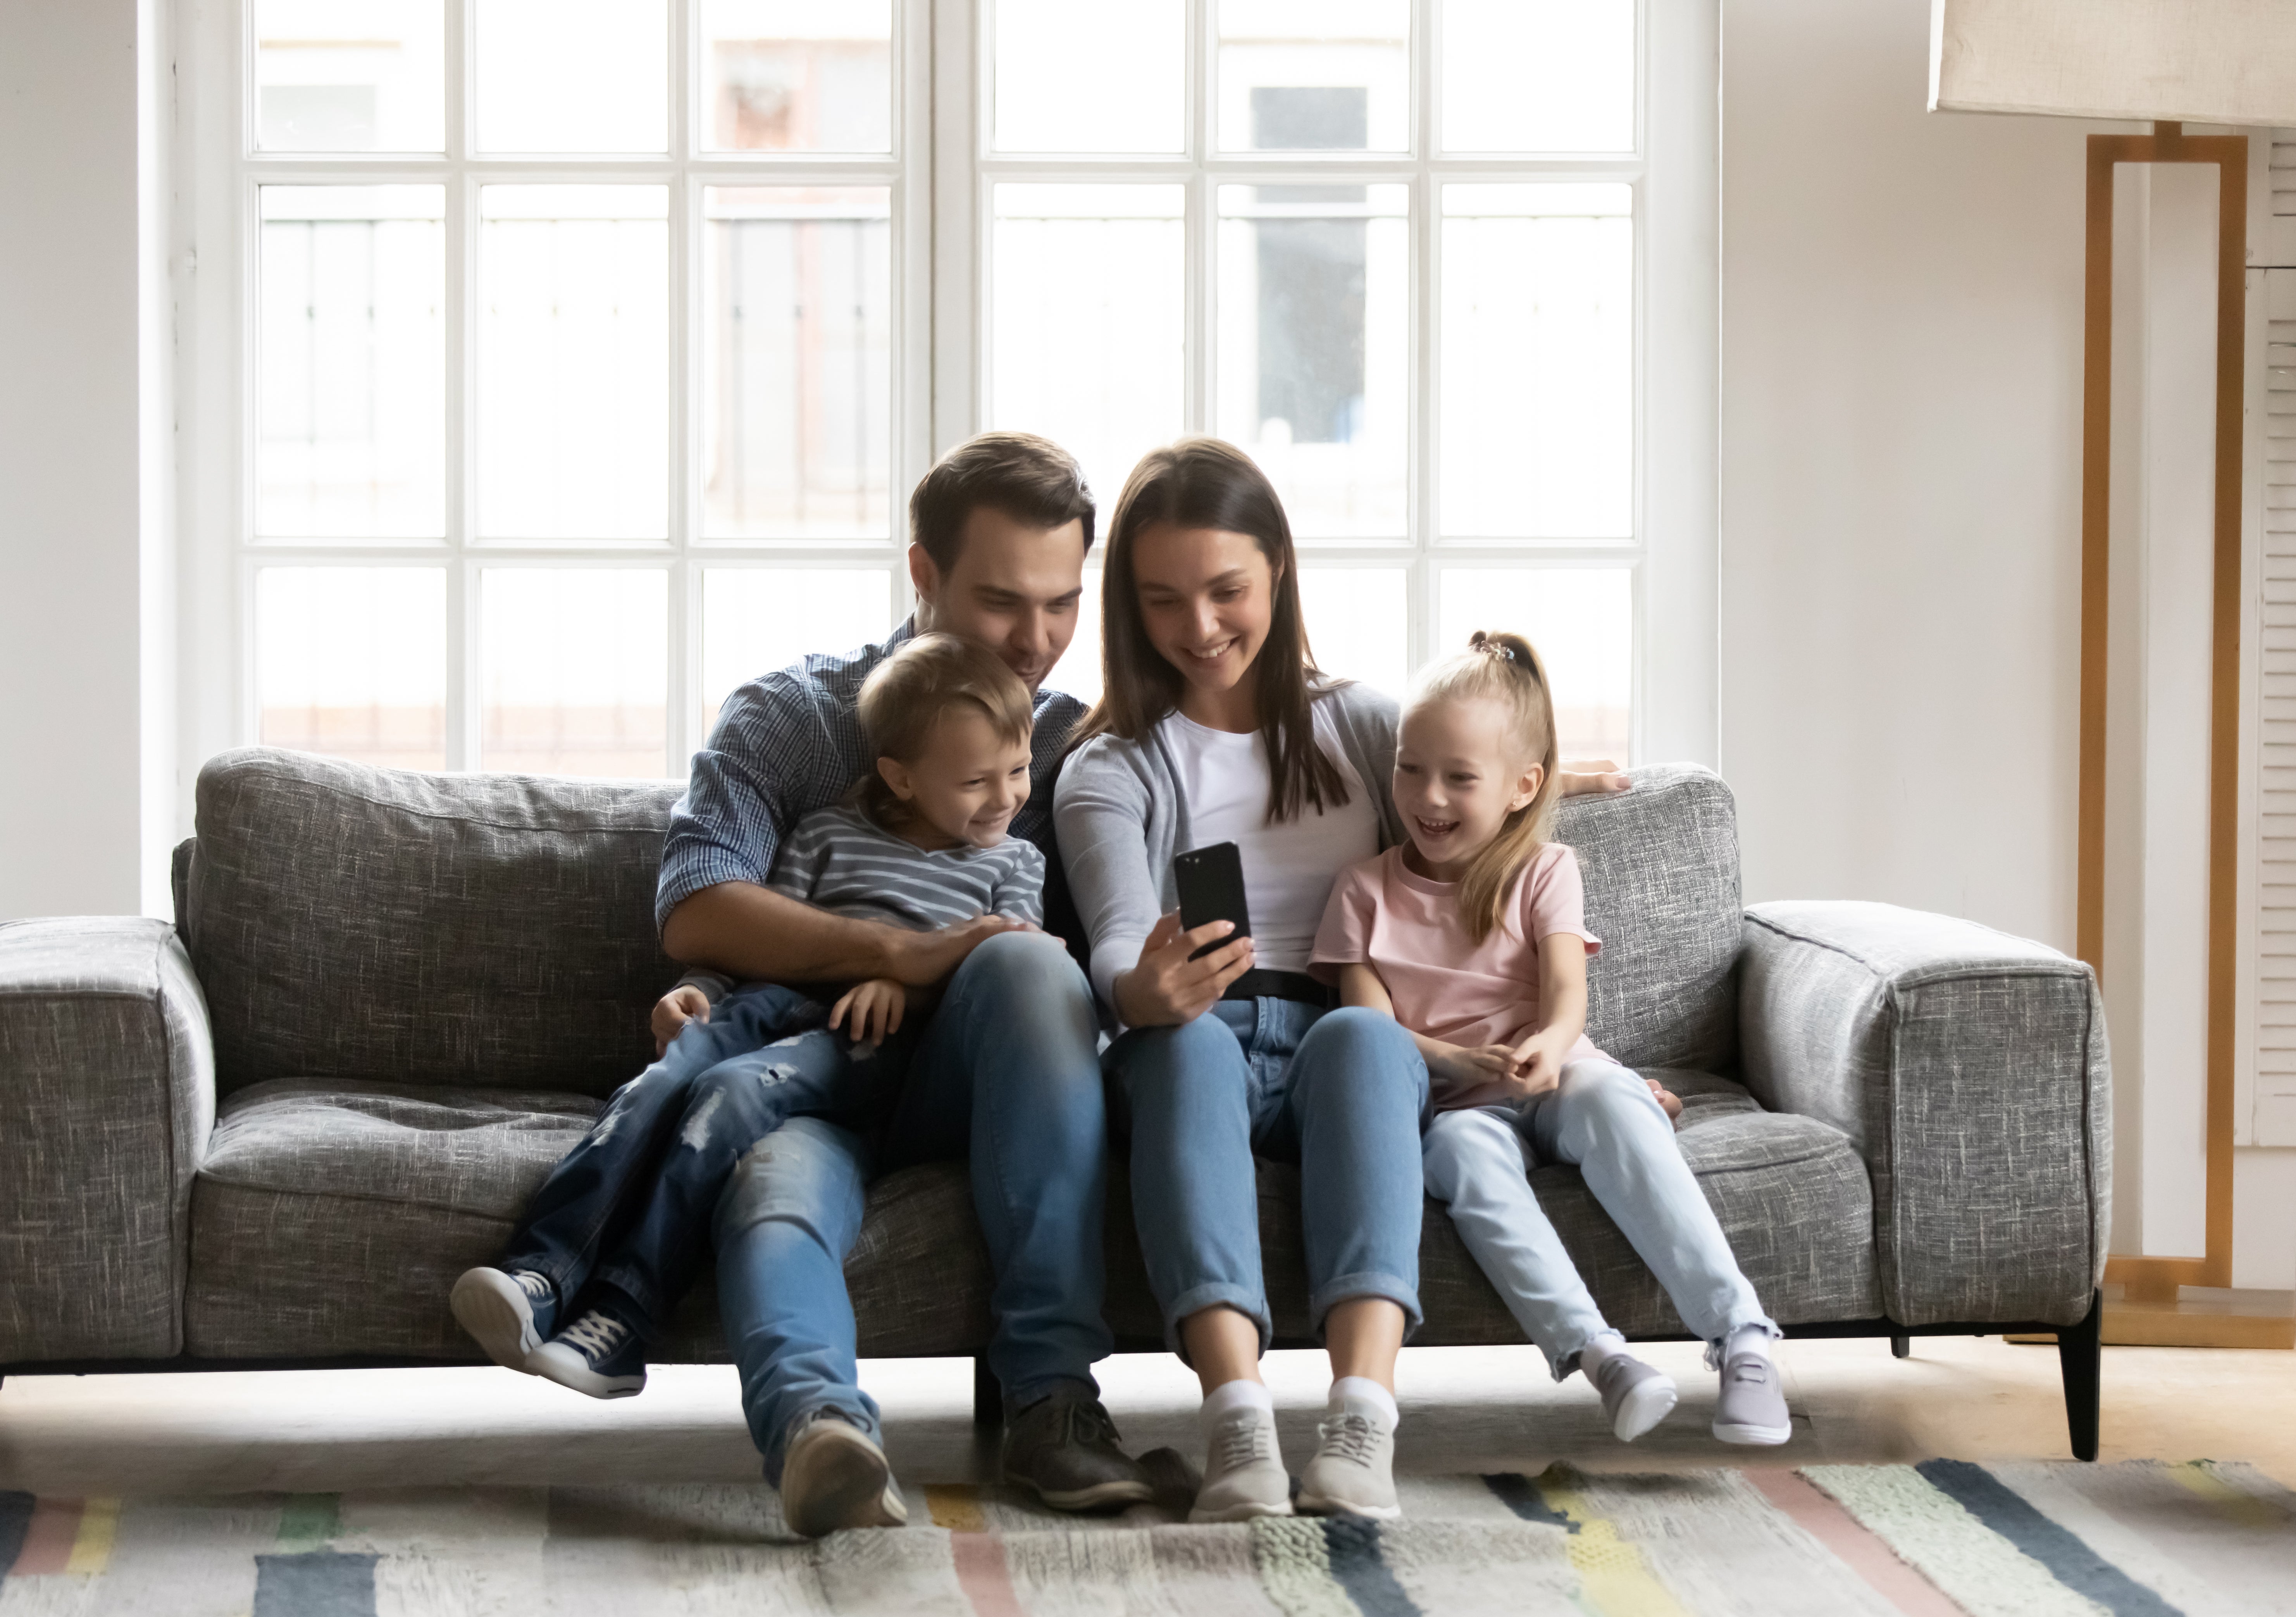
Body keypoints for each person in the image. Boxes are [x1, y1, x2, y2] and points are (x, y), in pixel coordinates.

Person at [1055, 439, 1632, 1527]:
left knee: (1367, 1039)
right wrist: (1143, 991)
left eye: (1227, 590)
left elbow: (1456, 790)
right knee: (1179, 1048)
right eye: (1163, 601)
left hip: (1340, 1033)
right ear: (1129, 608)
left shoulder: (1361, 725)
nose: (1200, 627)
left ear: (1278, 568)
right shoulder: (1112, 765)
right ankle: (1237, 1425)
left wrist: (1548, 785)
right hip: (1195, 1032)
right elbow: (1114, 940)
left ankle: (1363, 1419)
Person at [649, 433, 1153, 1536]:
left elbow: (1272, 744)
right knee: (771, 1186)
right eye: (1001, 601)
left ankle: (1053, 1406)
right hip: (813, 1083)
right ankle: (819, 1434)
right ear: (921, 574)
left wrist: (1496, 783)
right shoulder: (797, 717)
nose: (1036, 642)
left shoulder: (1075, 750)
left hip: (987, 1086)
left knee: (1025, 958)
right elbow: (696, 899)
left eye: (1063, 605)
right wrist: (885, 954)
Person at [449, 635, 1045, 1485]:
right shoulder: (827, 834)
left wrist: (906, 989)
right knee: (674, 1067)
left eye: (1017, 771)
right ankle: (543, 1269)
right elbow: (768, 940)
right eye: (978, 779)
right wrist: (695, 989)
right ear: (902, 775)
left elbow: (1012, 979)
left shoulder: (1013, 864)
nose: (1007, 798)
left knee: (726, 1092)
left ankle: (622, 1312)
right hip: (771, 1003)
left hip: (868, 1045)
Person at [1314, 631, 1791, 1447]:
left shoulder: (1544, 869)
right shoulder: (1364, 889)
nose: (1428, 796)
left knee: (1609, 1091)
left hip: (1557, 1072)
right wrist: (1459, 1061)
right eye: (1410, 766)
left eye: (1460, 777)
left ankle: (1743, 1336)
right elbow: (1371, 1028)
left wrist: (1548, 1043)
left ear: (1520, 787)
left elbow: (1568, 997)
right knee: (1459, 1156)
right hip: (1460, 1101)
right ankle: (1602, 1356)